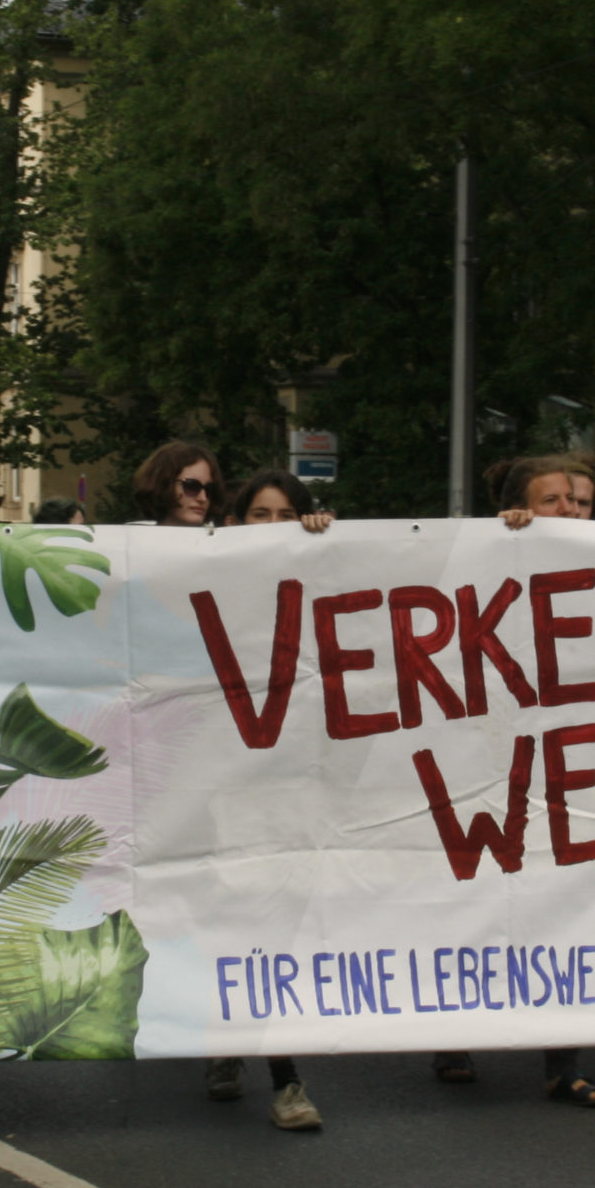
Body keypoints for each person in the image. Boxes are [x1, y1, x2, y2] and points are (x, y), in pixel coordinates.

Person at [429, 456, 595, 1108]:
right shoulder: (485, 557)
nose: (570, 512)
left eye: (581, 502)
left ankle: (563, 1063)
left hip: (569, 763)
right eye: (553, 500)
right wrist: (496, 542)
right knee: (475, 897)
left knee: (565, 905)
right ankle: (451, 1034)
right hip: (486, 758)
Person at [201, 467, 333, 1130]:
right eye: (261, 515)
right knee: (240, 916)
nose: (274, 527)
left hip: (292, 778)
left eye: (287, 515)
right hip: (227, 777)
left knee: (279, 923)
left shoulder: (316, 566)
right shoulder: (206, 570)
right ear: (235, 521)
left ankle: (266, 1064)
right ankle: (261, 1061)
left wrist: (324, 541)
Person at [131, 443, 220, 527]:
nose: (203, 498)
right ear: (164, 485)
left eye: (210, 489)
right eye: (191, 486)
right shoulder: (132, 541)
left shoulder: (223, 542)